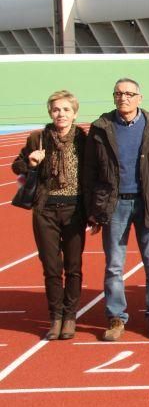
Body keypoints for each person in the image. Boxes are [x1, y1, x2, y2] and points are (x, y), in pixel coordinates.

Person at [83, 78, 149, 341]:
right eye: (119, 93)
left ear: (139, 98)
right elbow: (89, 171)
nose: (124, 97)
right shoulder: (101, 128)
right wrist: (93, 209)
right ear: (114, 97)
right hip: (114, 204)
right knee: (114, 265)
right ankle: (116, 318)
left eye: (129, 93)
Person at [12, 91, 90, 340]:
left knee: (73, 267)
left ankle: (70, 317)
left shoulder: (83, 139)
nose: (61, 114)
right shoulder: (38, 138)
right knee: (51, 267)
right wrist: (32, 163)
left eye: (66, 109)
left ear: (75, 113)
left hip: (74, 210)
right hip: (45, 210)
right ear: (50, 112)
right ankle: (55, 317)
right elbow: (17, 165)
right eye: (56, 109)